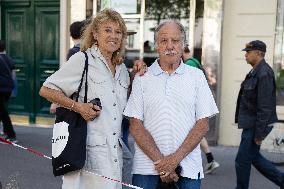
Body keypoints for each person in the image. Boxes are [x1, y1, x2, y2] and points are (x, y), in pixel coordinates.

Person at [40, 9, 145, 189]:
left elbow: (123, 108)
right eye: (108, 30)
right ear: (95, 34)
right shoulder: (83, 60)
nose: (114, 36)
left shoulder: (121, 70)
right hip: (88, 154)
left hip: (115, 153)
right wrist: (79, 107)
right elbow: (46, 89)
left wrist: (136, 75)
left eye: (118, 32)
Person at [123, 20, 219, 189]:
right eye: (163, 41)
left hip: (188, 168)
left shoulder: (196, 76)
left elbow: (203, 125)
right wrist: (162, 164)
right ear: (156, 46)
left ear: (183, 45)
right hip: (146, 168)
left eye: (175, 41)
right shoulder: (142, 77)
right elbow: (135, 125)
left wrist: (173, 161)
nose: (169, 46)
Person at [235, 40, 284, 189]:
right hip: (252, 122)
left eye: (248, 52)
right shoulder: (254, 71)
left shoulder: (264, 73)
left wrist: (259, 134)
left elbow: (265, 107)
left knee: (242, 160)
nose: (246, 55)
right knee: (254, 157)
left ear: (258, 53)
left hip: (256, 124)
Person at [182, 45, 220, 174]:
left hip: (194, 103)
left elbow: (189, 86)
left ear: (182, 51)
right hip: (200, 102)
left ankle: (207, 161)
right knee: (196, 132)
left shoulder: (189, 64)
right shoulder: (195, 61)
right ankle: (210, 160)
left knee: (194, 132)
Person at [50, 20, 86, 113]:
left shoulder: (73, 52)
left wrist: (55, 101)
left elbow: (68, 77)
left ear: (71, 35)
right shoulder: (90, 50)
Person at [0, 40, 17, 143]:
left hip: (1, 89)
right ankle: (6, 132)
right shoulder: (10, 59)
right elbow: (13, 76)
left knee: (3, 112)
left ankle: (11, 135)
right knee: (2, 110)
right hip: (8, 89)